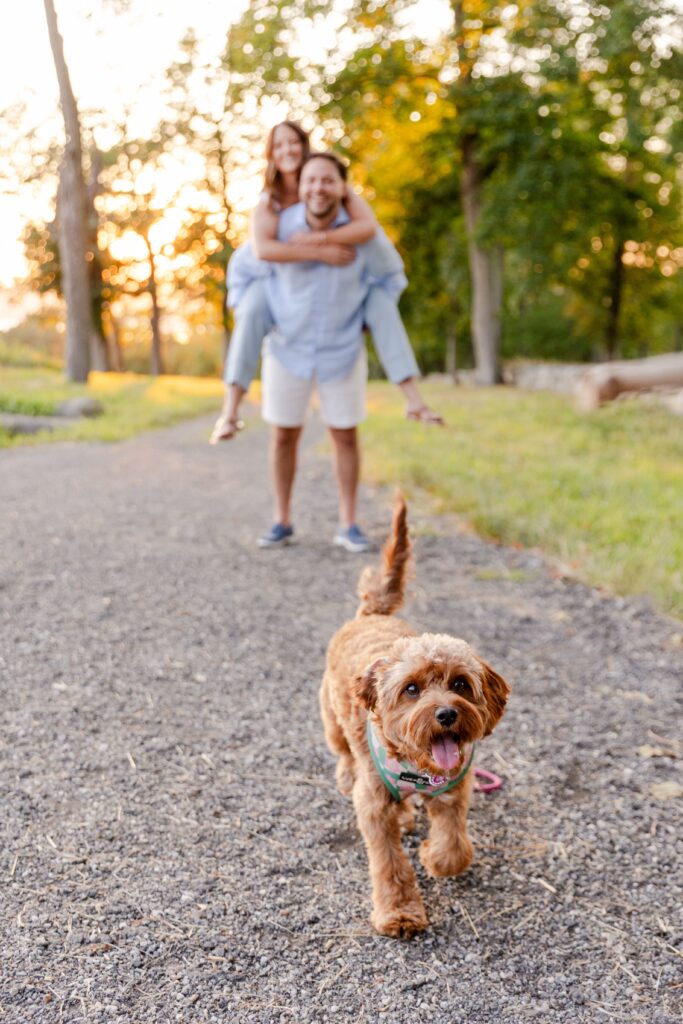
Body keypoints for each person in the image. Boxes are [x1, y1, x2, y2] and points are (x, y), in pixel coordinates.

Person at [210, 120, 442, 443]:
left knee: (380, 303)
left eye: (293, 142)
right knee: (251, 311)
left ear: (305, 146)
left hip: (322, 293)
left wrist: (321, 239)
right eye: (278, 145)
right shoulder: (269, 200)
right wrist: (321, 253)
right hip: (266, 277)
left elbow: (367, 229)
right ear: (270, 155)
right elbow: (264, 250)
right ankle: (230, 411)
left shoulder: (330, 183)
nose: (286, 150)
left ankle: (414, 401)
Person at [235, 151, 420, 551]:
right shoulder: (278, 227)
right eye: (311, 180)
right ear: (300, 187)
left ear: (342, 187)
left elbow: (392, 277)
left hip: (342, 348)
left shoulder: (363, 234)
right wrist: (260, 313)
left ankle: (348, 524)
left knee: (345, 435)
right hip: (287, 349)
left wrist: (369, 317)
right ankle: (281, 520)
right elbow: (244, 271)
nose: (319, 188)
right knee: (284, 435)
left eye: (327, 180)